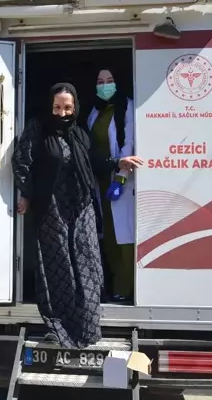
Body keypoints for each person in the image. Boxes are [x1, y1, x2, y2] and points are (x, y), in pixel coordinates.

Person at [12, 82, 103, 349]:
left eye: (67, 107)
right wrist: (27, 194)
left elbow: (93, 161)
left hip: (81, 205)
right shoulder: (38, 129)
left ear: (75, 107)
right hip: (50, 206)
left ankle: (86, 326)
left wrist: (116, 163)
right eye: (57, 107)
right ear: (49, 106)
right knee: (59, 264)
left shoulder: (80, 133)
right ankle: (60, 326)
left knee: (88, 263)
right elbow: (21, 161)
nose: (62, 113)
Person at [86, 69, 143, 304]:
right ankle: (110, 285)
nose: (105, 85)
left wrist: (120, 177)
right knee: (107, 236)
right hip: (100, 179)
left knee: (124, 236)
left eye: (109, 81)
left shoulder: (126, 106)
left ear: (117, 83)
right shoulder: (95, 110)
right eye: (100, 81)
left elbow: (128, 141)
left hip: (120, 179)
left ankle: (125, 288)